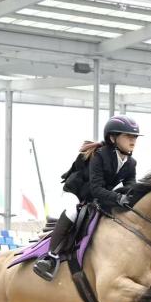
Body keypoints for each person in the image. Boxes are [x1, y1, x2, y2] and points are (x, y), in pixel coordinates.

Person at [33, 115, 140, 281]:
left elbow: (131, 185)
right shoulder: (100, 155)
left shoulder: (131, 163)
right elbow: (96, 188)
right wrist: (118, 198)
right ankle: (50, 257)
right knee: (72, 213)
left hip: (96, 199)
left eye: (134, 137)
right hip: (75, 193)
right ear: (113, 138)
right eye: (128, 136)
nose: (132, 140)